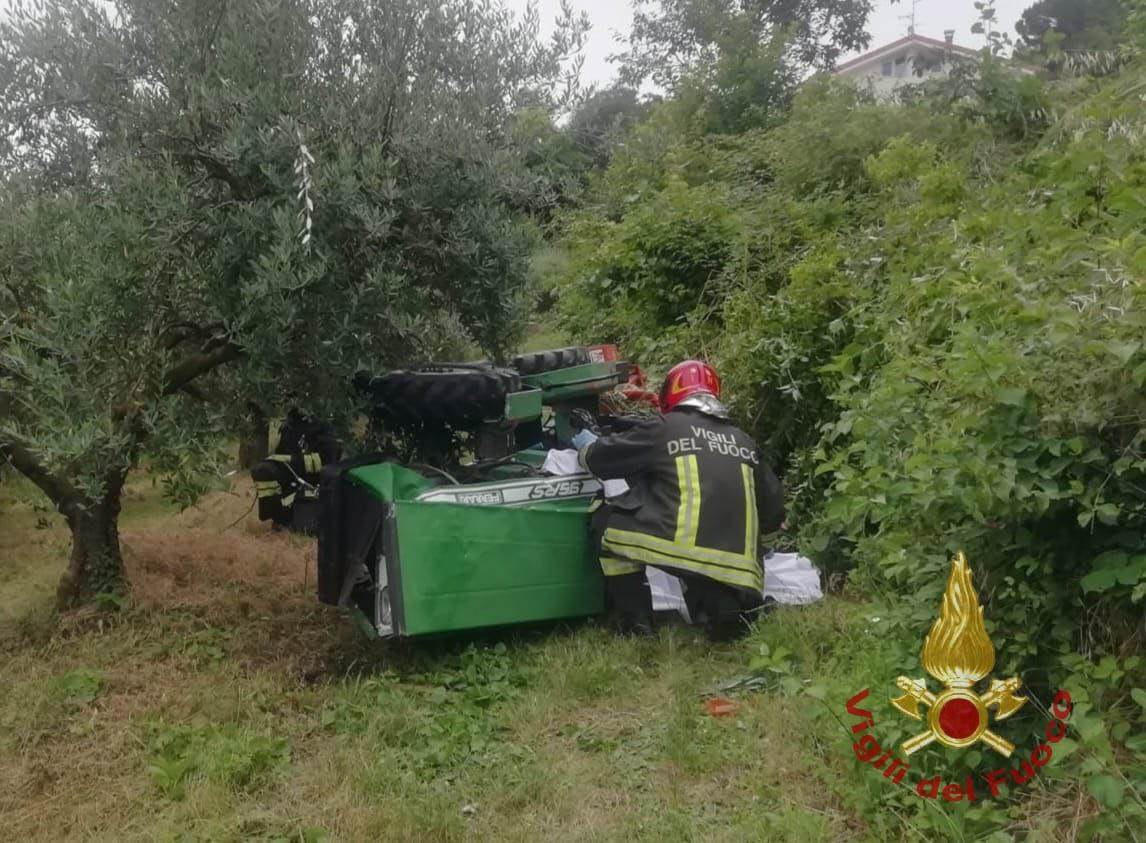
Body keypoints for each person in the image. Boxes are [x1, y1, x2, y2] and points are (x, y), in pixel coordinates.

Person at [574, 360, 784, 639]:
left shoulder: (666, 428)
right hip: (743, 575)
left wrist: (585, 443)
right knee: (714, 592)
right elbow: (772, 516)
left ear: (670, 395)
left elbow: (599, 460)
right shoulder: (743, 440)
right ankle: (725, 612)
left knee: (605, 519)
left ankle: (636, 626)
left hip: (687, 552)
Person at [251, 409, 342, 530]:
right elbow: (282, 451)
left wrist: (293, 461)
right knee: (262, 470)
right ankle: (276, 517)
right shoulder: (291, 422)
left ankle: (292, 518)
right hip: (293, 473)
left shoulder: (323, 424)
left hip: (315, 479)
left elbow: (329, 459)